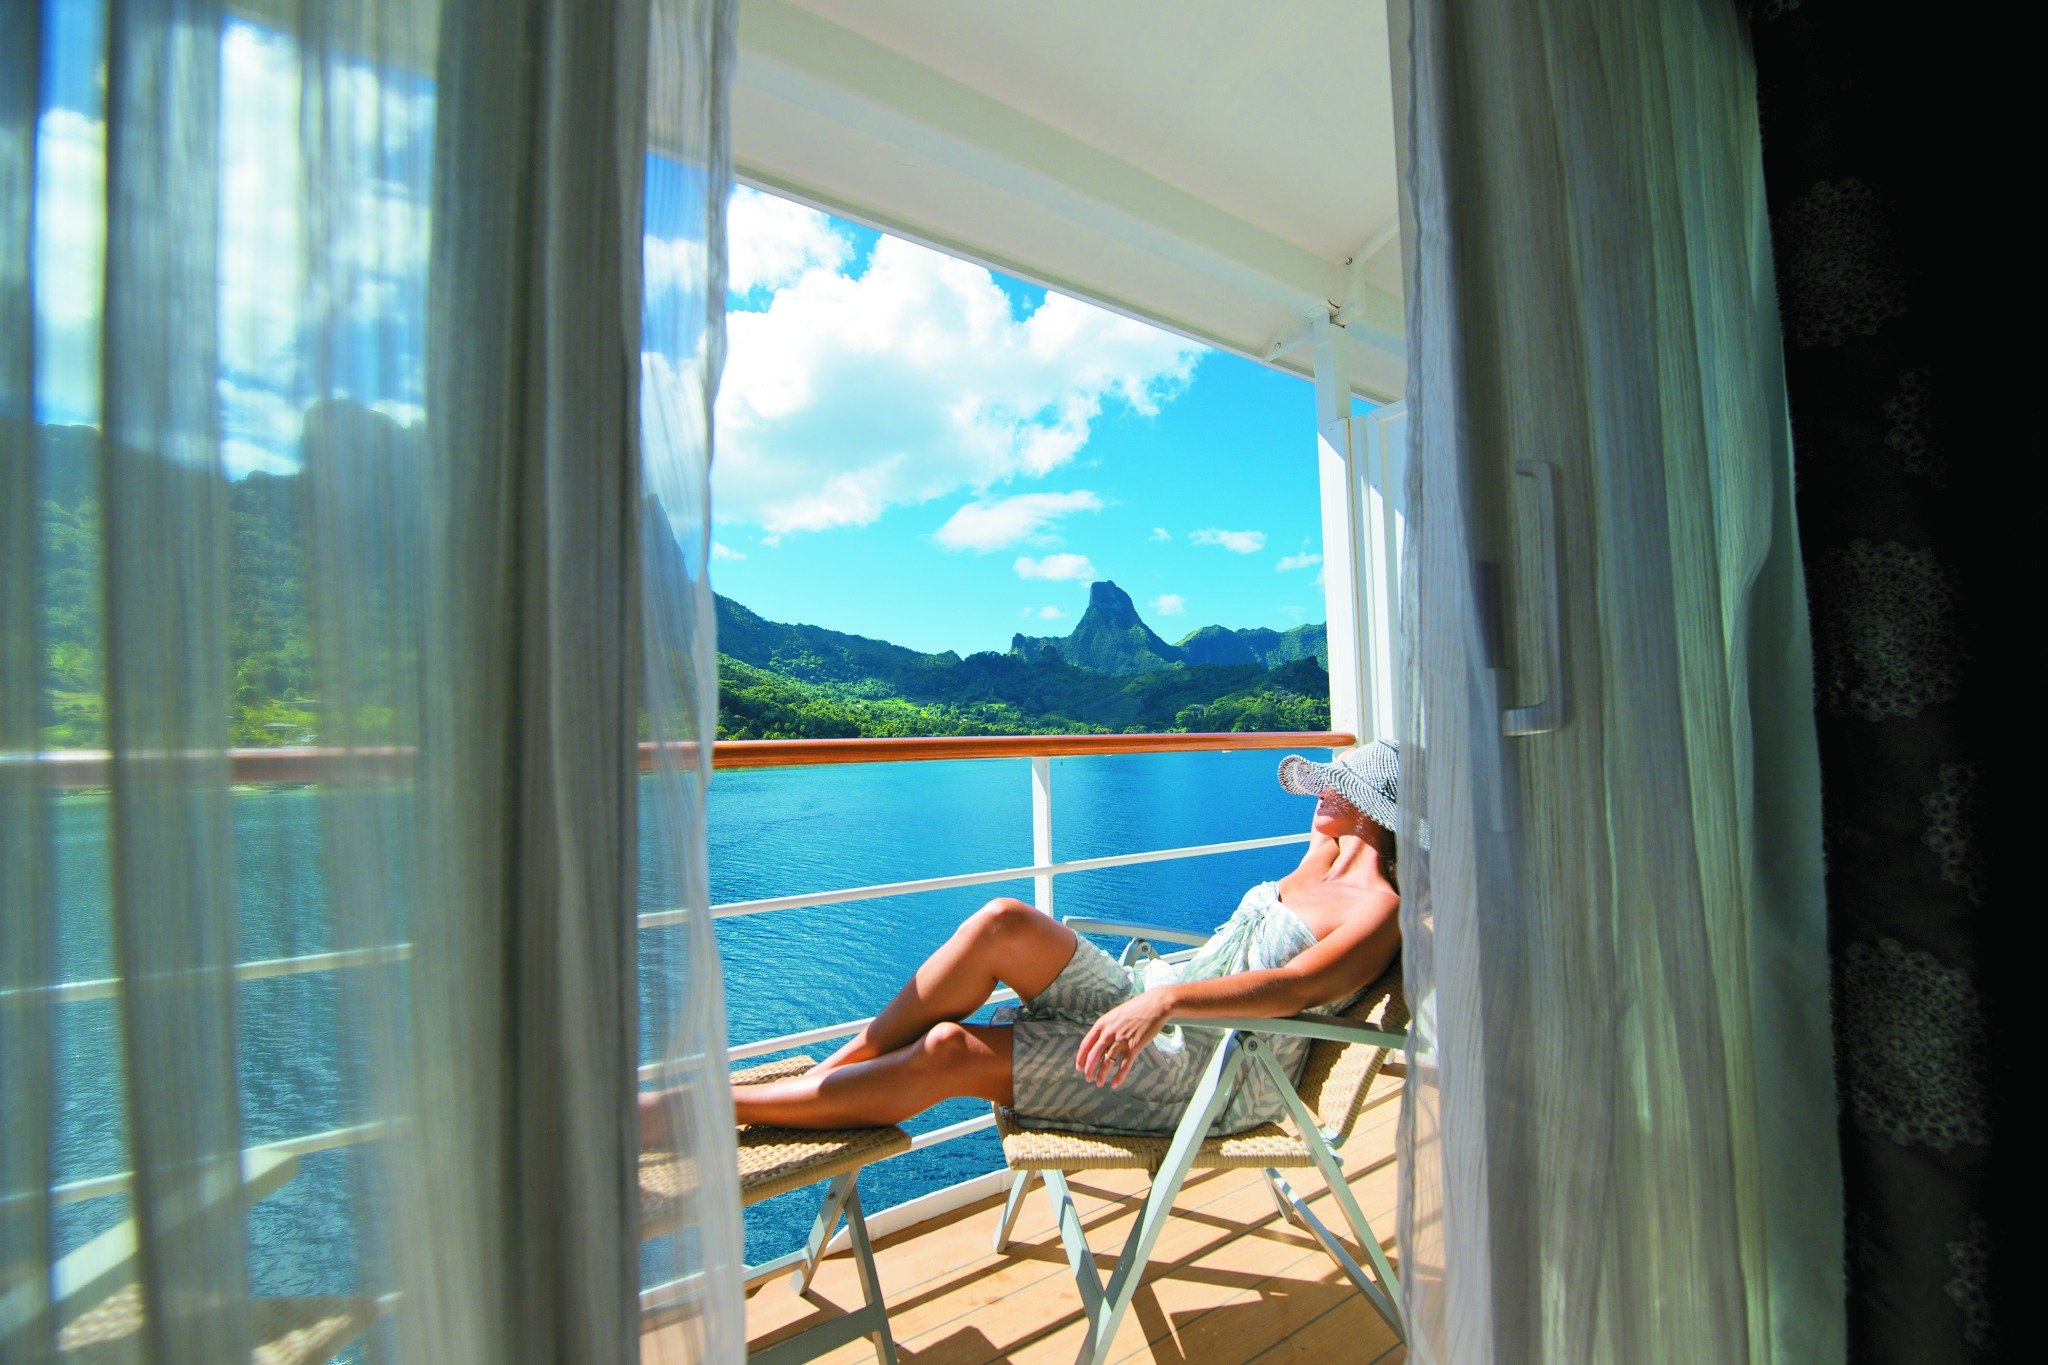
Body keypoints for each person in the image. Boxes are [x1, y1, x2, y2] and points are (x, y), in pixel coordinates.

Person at [641, 741, 1405, 1143]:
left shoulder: (1378, 909)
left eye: (1336, 785)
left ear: (1373, 808)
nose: (1319, 791)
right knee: (1003, 919)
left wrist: (1166, 1002)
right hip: (1159, 997)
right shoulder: (1324, 856)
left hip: (1210, 1070)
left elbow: (1291, 989)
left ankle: (715, 1112)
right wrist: (1158, 994)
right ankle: (835, 1071)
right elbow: (1281, 904)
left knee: (951, 1050)